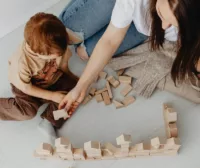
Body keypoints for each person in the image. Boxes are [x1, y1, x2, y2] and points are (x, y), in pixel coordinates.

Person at [58, 0, 200, 111]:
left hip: (140, 22)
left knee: (84, 52)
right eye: (163, 16)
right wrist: (81, 86)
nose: (164, 27)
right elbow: (110, 40)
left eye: (173, 25)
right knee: (65, 35)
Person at [0, 13, 79, 142]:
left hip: (48, 79)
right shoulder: (23, 62)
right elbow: (26, 87)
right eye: (53, 57)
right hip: (26, 87)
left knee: (72, 93)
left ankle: (49, 121)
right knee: (27, 111)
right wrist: (52, 96)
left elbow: (63, 64)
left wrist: (70, 76)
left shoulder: (57, 42)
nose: (58, 57)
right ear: (39, 54)